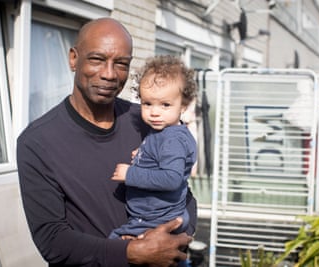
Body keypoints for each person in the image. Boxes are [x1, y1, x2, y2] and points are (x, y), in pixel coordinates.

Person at [16, 17, 196, 267]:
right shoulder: (38, 141)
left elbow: (183, 194)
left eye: (121, 64)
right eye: (97, 59)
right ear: (73, 59)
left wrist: (175, 236)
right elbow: (52, 240)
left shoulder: (148, 120)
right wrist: (132, 251)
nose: (110, 74)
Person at [109, 55, 197, 240]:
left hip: (156, 218)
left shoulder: (172, 140)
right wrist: (144, 155)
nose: (155, 112)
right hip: (156, 214)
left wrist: (130, 174)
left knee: (114, 242)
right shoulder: (164, 132)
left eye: (165, 105)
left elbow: (171, 178)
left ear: (183, 106)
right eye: (147, 103)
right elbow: (162, 160)